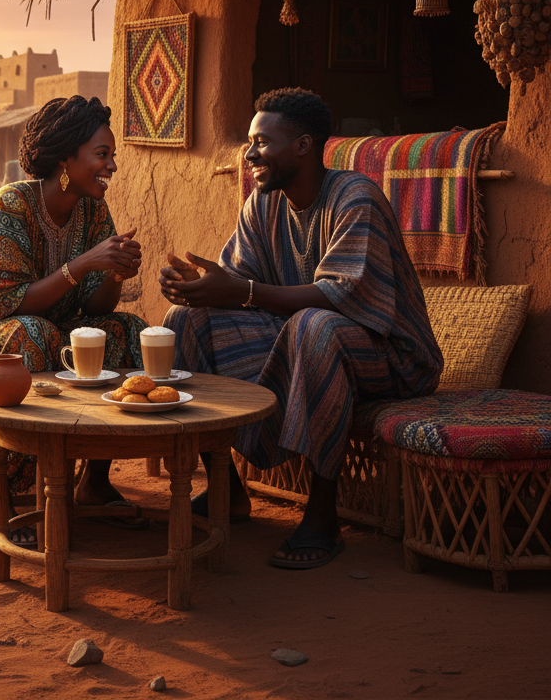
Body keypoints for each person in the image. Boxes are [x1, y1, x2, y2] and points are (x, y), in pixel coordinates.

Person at [159, 87, 443, 570]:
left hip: (392, 357)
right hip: (303, 340)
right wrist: (198, 290)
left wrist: (241, 292)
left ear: (304, 147)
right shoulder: (263, 204)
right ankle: (226, 487)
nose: (249, 154)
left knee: (316, 326)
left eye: (262, 143)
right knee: (184, 322)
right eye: (249, 143)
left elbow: (339, 298)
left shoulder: (356, 198)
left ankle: (323, 514)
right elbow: (238, 284)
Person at [0, 96, 147, 539]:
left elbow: (97, 309)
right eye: (102, 155)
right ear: (65, 159)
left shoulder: (93, 209)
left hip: (47, 333)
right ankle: (19, 499)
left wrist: (114, 272)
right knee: (30, 337)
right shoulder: (13, 204)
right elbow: (2, 304)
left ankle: (95, 481)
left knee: (124, 331)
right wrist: (80, 265)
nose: (112, 165)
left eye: (112, 155)